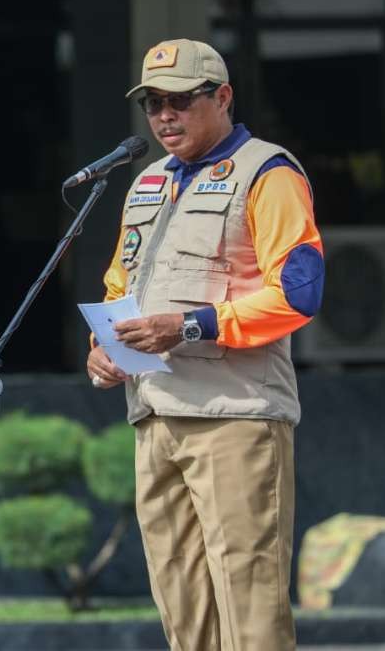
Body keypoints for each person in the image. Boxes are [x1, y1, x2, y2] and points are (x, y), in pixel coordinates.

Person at [86, 38, 324, 651]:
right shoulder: (145, 182)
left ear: (222, 97)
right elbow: (120, 283)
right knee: (181, 603)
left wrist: (188, 325)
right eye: (153, 104)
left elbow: (298, 296)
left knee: (248, 598)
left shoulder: (267, 171)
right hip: (154, 414)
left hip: (234, 416)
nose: (165, 116)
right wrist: (103, 344)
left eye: (181, 101)